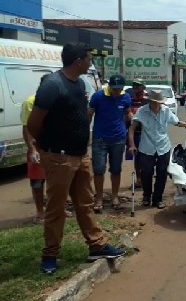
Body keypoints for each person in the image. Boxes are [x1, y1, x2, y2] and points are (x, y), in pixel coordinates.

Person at [27, 42, 124, 274]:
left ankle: (97, 245)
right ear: (78, 60)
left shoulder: (80, 83)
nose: (91, 62)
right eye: (89, 58)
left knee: (85, 203)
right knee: (56, 208)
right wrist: (47, 148)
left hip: (80, 156)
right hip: (59, 156)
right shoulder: (53, 84)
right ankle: (50, 255)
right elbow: (33, 123)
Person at [128, 89, 186, 209]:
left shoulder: (166, 111)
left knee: (162, 174)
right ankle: (147, 196)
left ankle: (158, 199)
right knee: (146, 173)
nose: (156, 104)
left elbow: (177, 122)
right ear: (150, 101)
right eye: (154, 102)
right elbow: (132, 128)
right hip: (147, 147)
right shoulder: (142, 111)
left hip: (163, 146)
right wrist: (132, 145)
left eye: (158, 102)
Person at [88, 74, 132, 212]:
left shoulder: (126, 97)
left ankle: (114, 196)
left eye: (119, 89)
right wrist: (84, 133)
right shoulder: (98, 96)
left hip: (118, 138)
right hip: (100, 138)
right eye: (114, 89)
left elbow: (127, 114)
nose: (117, 92)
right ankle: (99, 198)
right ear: (109, 86)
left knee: (116, 169)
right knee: (99, 169)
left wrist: (130, 129)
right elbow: (88, 115)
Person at [21, 74, 49, 223]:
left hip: (54, 147)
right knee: (37, 181)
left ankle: (58, 208)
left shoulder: (58, 101)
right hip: (37, 147)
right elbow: (26, 127)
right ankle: (40, 212)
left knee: (58, 180)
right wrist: (31, 148)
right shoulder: (30, 102)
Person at [124, 79, 148, 187]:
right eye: (134, 85)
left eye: (138, 85)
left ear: (143, 87)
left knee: (147, 157)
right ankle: (139, 180)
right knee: (137, 157)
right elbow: (126, 113)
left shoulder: (147, 99)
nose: (136, 87)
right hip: (134, 132)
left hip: (146, 133)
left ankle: (146, 178)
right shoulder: (130, 99)